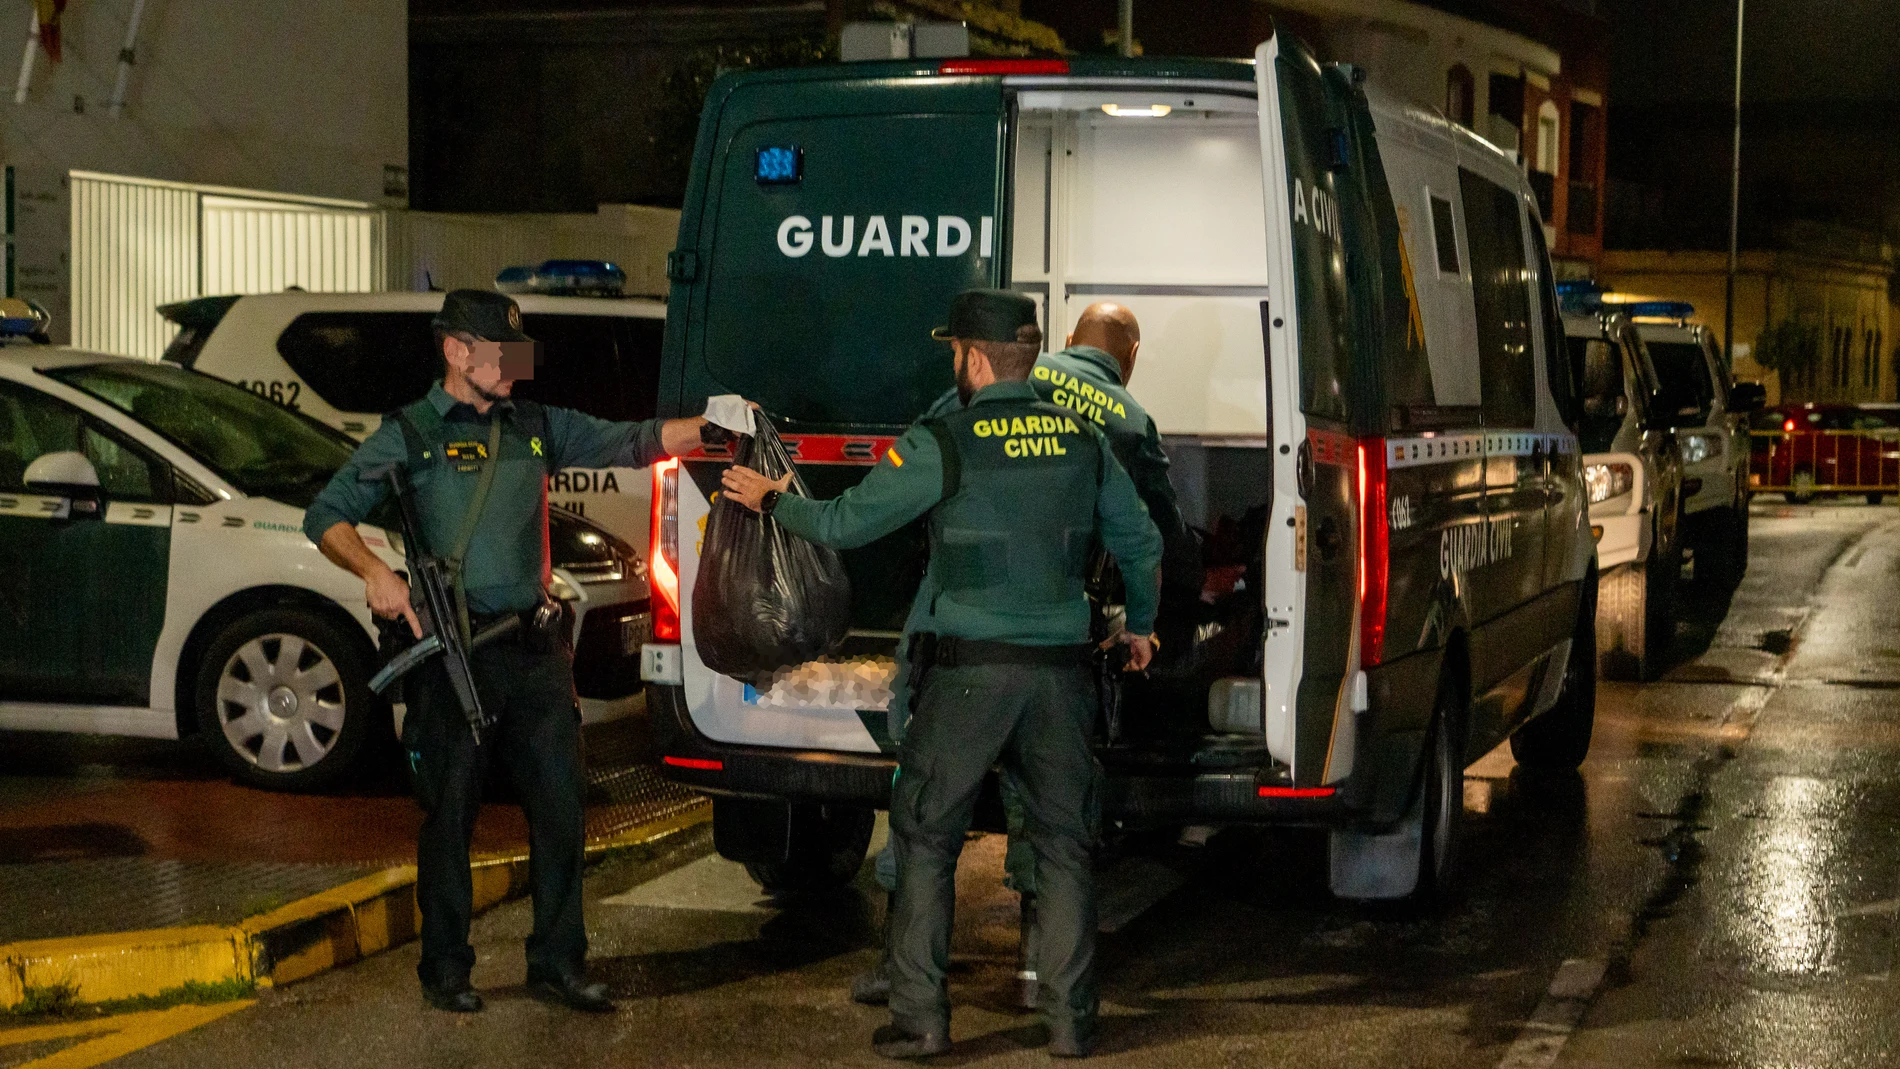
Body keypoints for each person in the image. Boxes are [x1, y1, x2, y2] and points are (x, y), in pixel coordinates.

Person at [721, 289, 1163, 1059]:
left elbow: (846, 522)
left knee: (927, 838)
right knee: (1063, 847)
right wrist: (1145, 627)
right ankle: (1069, 1024)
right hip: (1061, 680)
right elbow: (1143, 543)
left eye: (955, 351)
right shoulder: (1086, 438)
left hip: (968, 677)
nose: (951, 362)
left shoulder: (945, 441)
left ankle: (922, 1018)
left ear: (977, 357)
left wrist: (773, 499)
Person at [303, 289, 730, 1015]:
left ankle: (558, 961)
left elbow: (631, 441)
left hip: (533, 653)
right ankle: (446, 967)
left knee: (562, 808)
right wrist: (374, 571)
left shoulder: (532, 425)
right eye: (500, 352)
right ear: (456, 351)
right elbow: (327, 514)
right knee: (450, 814)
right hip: (453, 654)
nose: (513, 366)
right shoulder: (411, 433)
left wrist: (712, 429)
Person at [858, 301, 1200, 1011]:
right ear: (1128, 359)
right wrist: (1152, 626)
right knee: (1048, 811)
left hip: (953, 616)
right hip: (1053, 633)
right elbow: (1157, 536)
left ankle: (904, 971)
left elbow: (916, 466)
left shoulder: (986, 378)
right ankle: (1038, 971)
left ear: (1065, 343)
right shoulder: (1130, 422)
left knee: (919, 794)